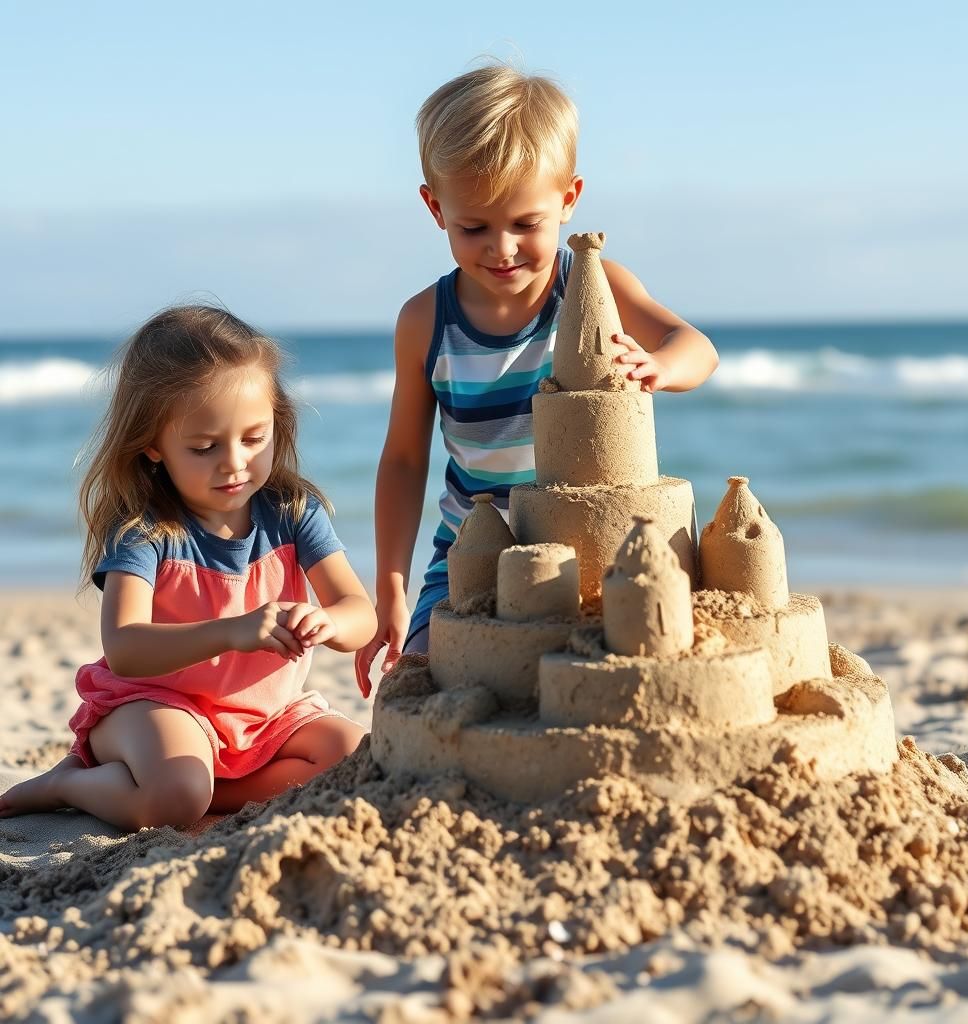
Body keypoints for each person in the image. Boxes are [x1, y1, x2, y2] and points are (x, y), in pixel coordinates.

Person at [355, 63, 719, 691]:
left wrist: (660, 367)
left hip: (591, 547)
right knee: (423, 678)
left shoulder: (592, 289)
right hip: (471, 548)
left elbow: (697, 347)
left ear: (569, 199)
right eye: (474, 227)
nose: (502, 249)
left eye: (526, 224)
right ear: (435, 207)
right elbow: (405, 460)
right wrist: (390, 584)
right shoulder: (424, 321)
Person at [0, 306, 377, 830]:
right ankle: (68, 782)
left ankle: (202, 789)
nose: (234, 463)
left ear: (278, 423)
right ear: (154, 446)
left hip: (265, 718)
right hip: (155, 706)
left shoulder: (293, 512)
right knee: (177, 798)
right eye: (204, 447)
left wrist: (331, 624)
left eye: (253, 438)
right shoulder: (146, 531)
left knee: (358, 755)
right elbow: (126, 648)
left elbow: (359, 613)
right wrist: (233, 631)